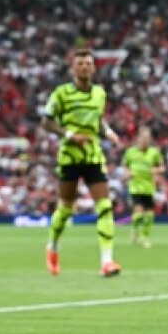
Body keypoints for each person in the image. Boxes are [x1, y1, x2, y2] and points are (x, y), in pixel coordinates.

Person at [41, 49, 122, 277]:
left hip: (93, 156)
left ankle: (107, 261)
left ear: (94, 68)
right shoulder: (61, 94)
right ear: (73, 68)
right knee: (66, 208)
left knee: (105, 206)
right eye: (80, 64)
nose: (85, 67)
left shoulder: (99, 93)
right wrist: (70, 135)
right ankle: (52, 246)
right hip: (70, 157)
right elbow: (46, 122)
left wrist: (109, 133)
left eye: (88, 64)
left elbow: (98, 121)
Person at [123, 127, 165, 249]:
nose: (146, 140)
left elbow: (162, 167)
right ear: (139, 138)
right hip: (135, 187)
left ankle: (145, 237)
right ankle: (136, 232)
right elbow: (125, 167)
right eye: (144, 138)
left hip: (149, 187)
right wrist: (128, 173)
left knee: (149, 216)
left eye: (148, 138)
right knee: (138, 214)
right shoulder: (130, 152)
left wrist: (156, 170)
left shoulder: (154, 152)